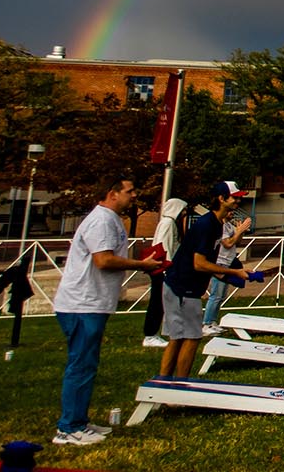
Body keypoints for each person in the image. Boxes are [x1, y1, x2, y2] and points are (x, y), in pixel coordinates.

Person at [51, 175, 167, 447]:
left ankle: (79, 421)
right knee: (80, 365)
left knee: (87, 364)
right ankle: (68, 428)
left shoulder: (109, 219)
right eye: (130, 190)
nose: (134, 195)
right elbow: (103, 260)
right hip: (82, 304)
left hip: (93, 303)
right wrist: (142, 264)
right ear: (112, 193)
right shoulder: (101, 220)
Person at [160, 181, 262, 380]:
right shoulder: (207, 225)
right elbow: (199, 264)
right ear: (221, 199)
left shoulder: (216, 224)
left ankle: (165, 383)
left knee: (179, 338)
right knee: (190, 338)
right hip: (183, 287)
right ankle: (178, 386)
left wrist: (236, 274)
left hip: (183, 287)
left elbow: (209, 263)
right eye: (234, 197)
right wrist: (233, 272)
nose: (238, 200)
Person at [141, 196, 189, 349]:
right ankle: (150, 334)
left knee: (164, 301)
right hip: (162, 268)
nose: (185, 213)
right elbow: (164, 246)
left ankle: (160, 331)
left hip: (163, 267)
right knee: (157, 301)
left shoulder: (168, 223)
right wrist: (168, 267)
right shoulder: (168, 223)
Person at [201, 198, 253, 331]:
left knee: (222, 296)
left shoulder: (229, 226)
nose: (231, 214)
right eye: (230, 212)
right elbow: (227, 243)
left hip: (228, 263)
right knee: (216, 295)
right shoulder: (222, 226)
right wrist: (239, 231)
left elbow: (236, 242)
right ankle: (207, 323)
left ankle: (212, 321)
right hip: (220, 263)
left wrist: (240, 232)